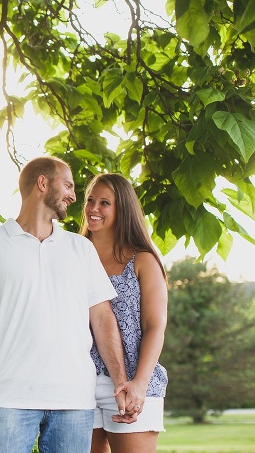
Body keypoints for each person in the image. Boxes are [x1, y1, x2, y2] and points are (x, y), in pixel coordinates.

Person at [0, 156, 137, 453]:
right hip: (10, 398)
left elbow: (102, 318)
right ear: (42, 183)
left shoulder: (81, 248)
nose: (74, 196)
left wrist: (120, 383)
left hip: (74, 401)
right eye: (67, 185)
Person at [81, 173, 168, 453]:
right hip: (77, 383)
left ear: (123, 210)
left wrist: (140, 384)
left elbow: (155, 326)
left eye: (104, 202)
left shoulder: (142, 260)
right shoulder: (74, 256)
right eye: (90, 200)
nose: (94, 208)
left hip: (131, 382)